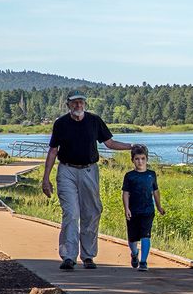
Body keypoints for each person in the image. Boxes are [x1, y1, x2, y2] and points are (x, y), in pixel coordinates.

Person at [41, 91, 134, 270]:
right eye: (74, 103)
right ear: (68, 105)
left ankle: (88, 256)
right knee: (71, 213)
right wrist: (46, 179)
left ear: (85, 104)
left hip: (89, 171)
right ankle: (68, 256)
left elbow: (109, 143)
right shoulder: (61, 123)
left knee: (91, 212)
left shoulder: (94, 121)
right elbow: (53, 151)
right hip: (66, 170)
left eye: (81, 102)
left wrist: (131, 146)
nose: (78, 106)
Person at [121, 144, 165, 271]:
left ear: (146, 159)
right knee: (132, 238)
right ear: (133, 160)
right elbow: (126, 193)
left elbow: (155, 191)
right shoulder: (129, 176)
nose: (140, 161)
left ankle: (143, 262)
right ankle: (134, 254)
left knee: (146, 235)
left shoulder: (151, 174)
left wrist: (159, 206)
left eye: (142, 158)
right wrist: (127, 208)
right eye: (137, 159)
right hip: (133, 211)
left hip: (148, 210)